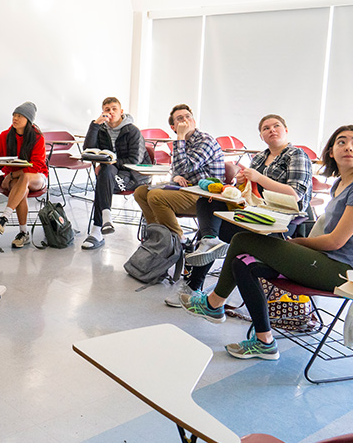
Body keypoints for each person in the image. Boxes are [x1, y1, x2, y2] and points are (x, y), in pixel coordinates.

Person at [180, 125, 353, 361]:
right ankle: (264, 341)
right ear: (330, 152)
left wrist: (298, 243)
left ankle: (214, 303)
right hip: (327, 262)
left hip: (343, 271)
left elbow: (336, 241)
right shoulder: (341, 183)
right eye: (341, 142)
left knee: (242, 239)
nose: (348, 146)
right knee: (241, 263)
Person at [165, 114, 312, 307]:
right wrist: (240, 183)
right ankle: (209, 244)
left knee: (213, 229)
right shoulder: (260, 157)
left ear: (286, 130)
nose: (271, 130)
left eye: (276, 126)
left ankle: (195, 285)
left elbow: (296, 195)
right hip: (253, 215)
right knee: (208, 205)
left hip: (279, 225)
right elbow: (248, 194)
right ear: (261, 136)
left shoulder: (296, 155)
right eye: (266, 128)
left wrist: (259, 178)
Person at [133, 104, 224, 240]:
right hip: (186, 190)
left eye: (188, 117)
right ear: (173, 127)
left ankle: (178, 240)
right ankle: (159, 236)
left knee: (155, 196)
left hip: (205, 197)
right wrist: (175, 177)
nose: (185, 120)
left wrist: (180, 136)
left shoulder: (205, 140)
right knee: (140, 192)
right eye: (180, 118)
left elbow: (185, 168)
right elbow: (176, 169)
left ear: (193, 121)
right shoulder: (183, 142)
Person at [81, 97, 151, 250]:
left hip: (134, 176)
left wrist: (111, 161)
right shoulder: (102, 129)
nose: (110, 112)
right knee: (105, 172)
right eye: (107, 109)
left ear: (121, 112)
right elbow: (88, 150)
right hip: (112, 173)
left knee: (103, 179)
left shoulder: (132, 131)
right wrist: (95, 125)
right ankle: (106, 216)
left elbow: (134, 161)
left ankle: (97, 230)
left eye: (114, 109)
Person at [0, 102, 47, 248]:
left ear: (28, 120)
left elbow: (36, 165)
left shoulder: (37, 137)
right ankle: (24, 233)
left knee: (24, 178)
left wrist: (11, 175)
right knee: (21, 190)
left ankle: (4, 217)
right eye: (14, 115)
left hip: (37, 176)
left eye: (19, 116)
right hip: (16, 180)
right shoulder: (6, 135)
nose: (15, 118)